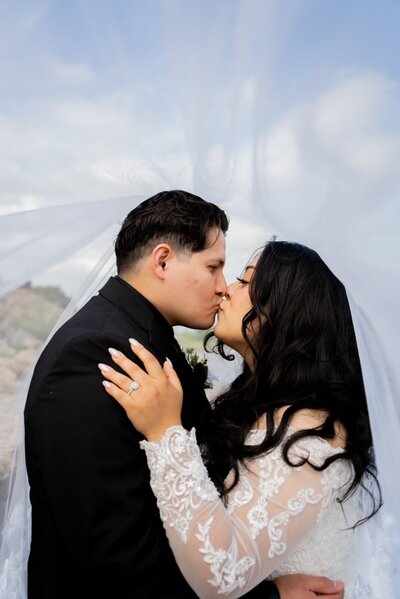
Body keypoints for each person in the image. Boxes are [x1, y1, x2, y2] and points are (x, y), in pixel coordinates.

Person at [24, 192, 342, 599]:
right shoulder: (96, 355)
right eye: (215, 267)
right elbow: (119, 560)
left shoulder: (146, 339)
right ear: (162, 261)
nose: (223, 288)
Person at [99, 240, 384, 598]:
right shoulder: (245, 404)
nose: (226, 290)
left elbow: (222, 574)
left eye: (245, 281)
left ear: (287, 309)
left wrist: (164, 431)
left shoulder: (313, 436)